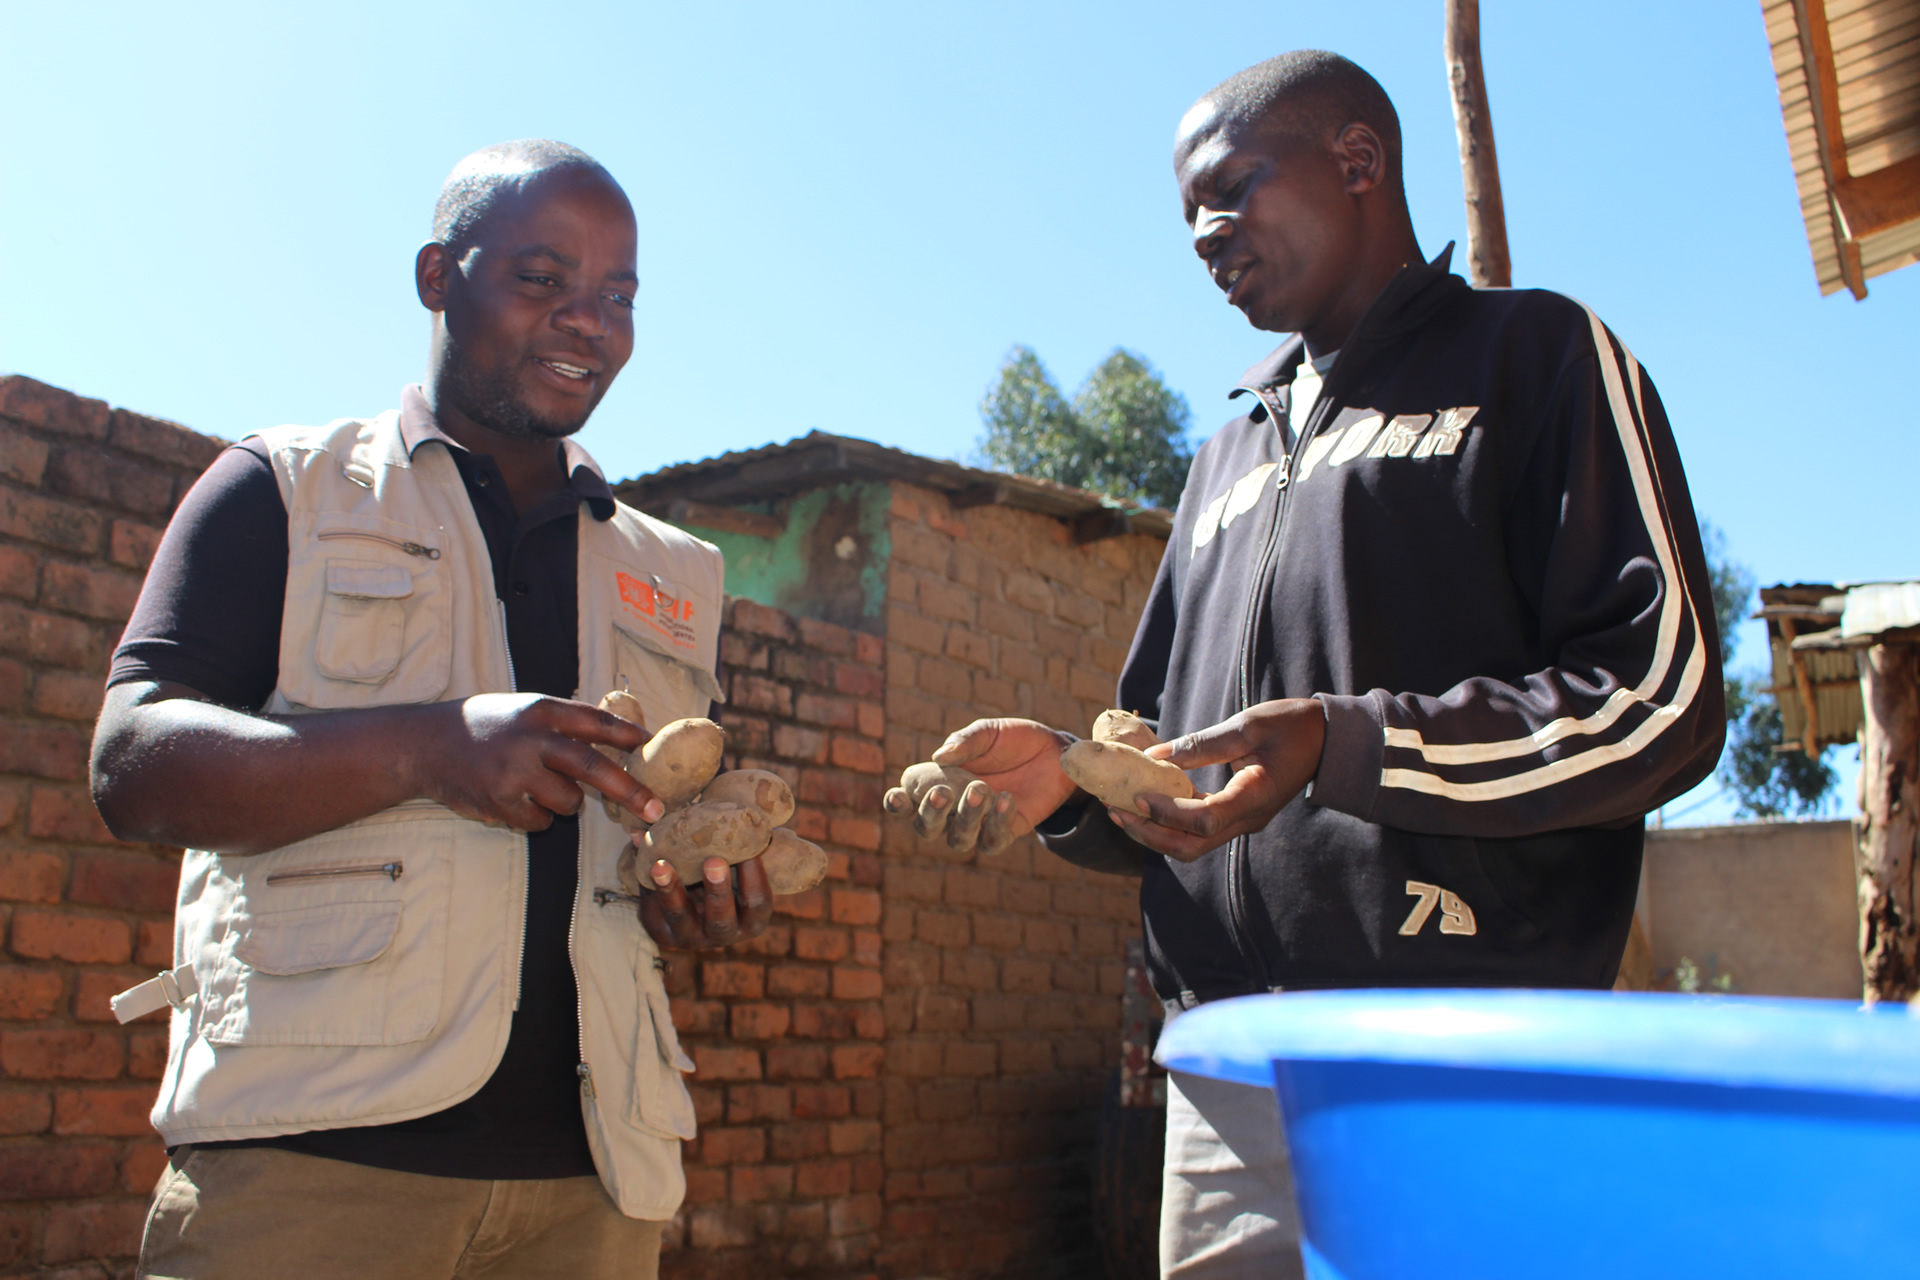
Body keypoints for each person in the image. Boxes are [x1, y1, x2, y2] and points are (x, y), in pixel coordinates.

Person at [896, 52, 1724, 1278]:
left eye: (1230, 190)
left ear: (1357, 160)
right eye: (1187, 216)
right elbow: (1179, 769)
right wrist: (1075, 786)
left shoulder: (1534, 356)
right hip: (1225, 1076)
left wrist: (1346, 741)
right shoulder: (1224, 458)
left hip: (1456, 1062)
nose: (1204, 236)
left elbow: (1660, 700)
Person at [92, 140, 770, 1280]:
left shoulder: (679, 573)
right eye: (542, 278)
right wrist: (431, 747)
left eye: (618, 295)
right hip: (313, 1171)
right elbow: (134, 764)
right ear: (436, 275)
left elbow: (631, 852)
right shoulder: (285, 488)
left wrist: (692, 893)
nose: (586, 322)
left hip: (593, 1190)